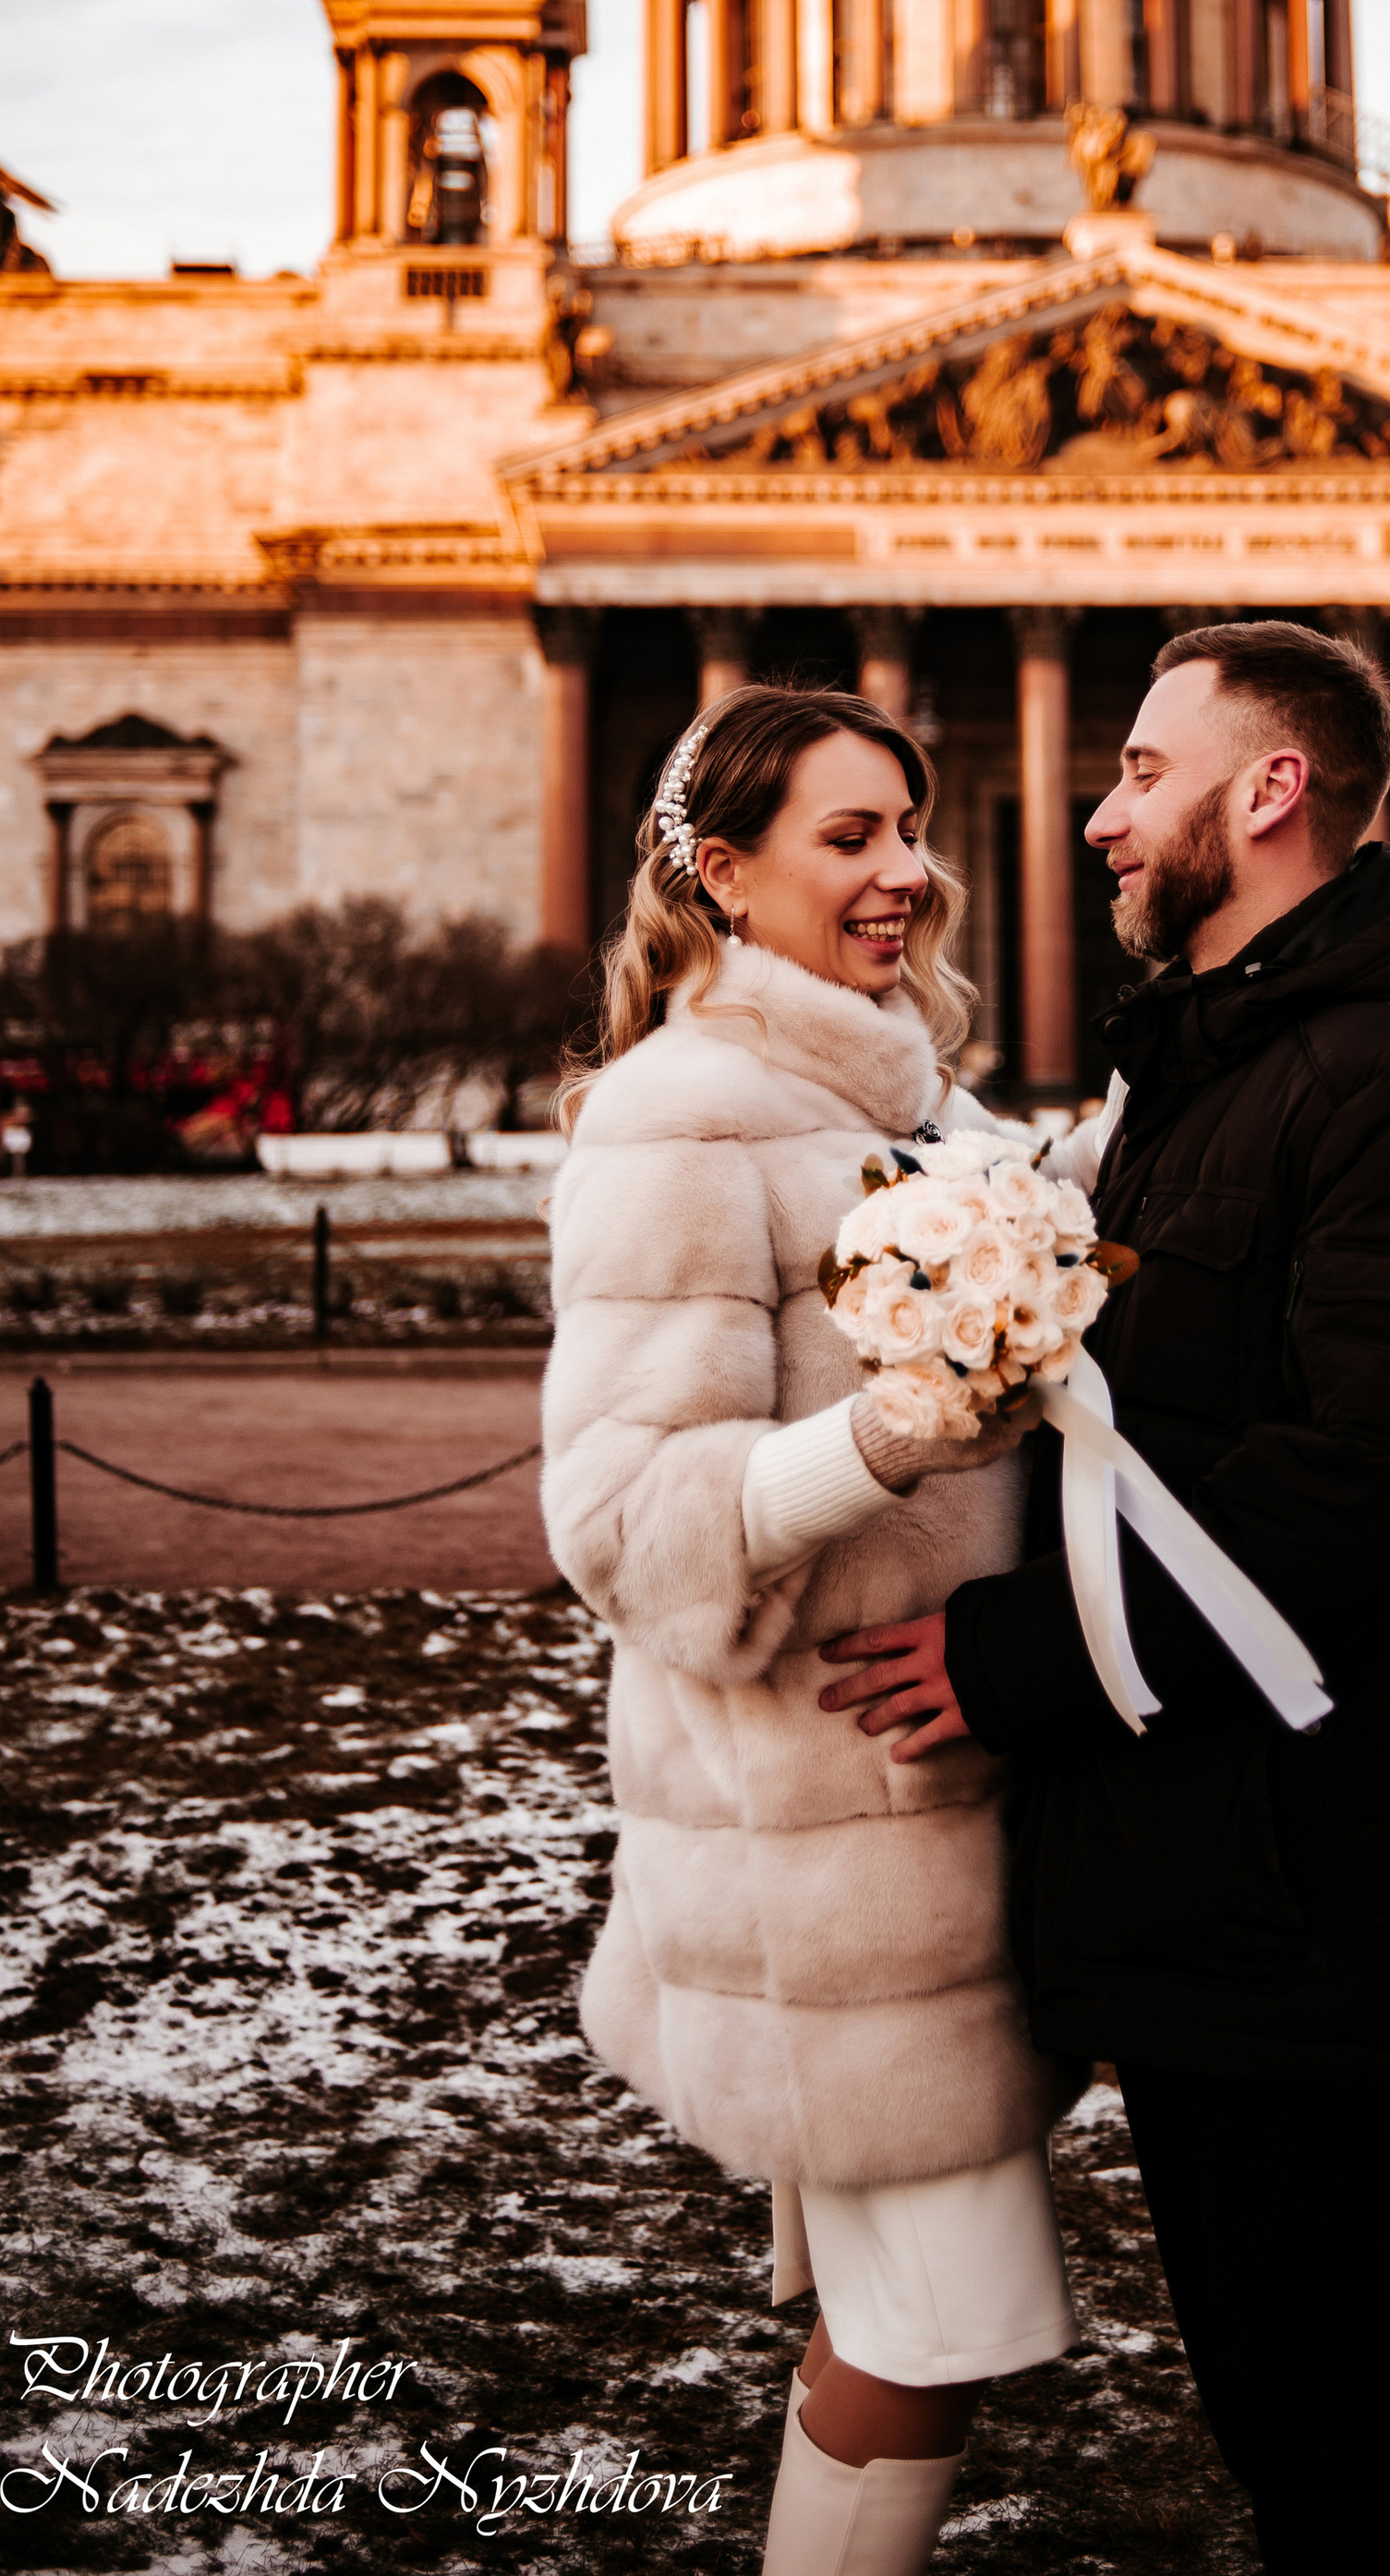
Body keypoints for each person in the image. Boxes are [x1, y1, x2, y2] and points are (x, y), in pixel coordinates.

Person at [821, 621, 1390, 2573]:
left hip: (1300, 1872)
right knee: (1276, 2396)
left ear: (1273, 788)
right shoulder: (1213, 1077)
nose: (1099, 815)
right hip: (1199, 1857)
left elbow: (1363, 1500)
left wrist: (1009, 1661)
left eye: (1145, 773)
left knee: (1314, 2420)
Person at [541, 683, 1079, 2576]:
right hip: (824, 1857)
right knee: (935, 2330)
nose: (904, 871)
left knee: (903, 2322)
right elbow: (624, 1523)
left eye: (907, 828)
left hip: (926, 1830)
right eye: (848, 836)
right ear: (720, 873)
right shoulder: (676, 1117)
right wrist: (892, 1431)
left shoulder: (919, 1105)